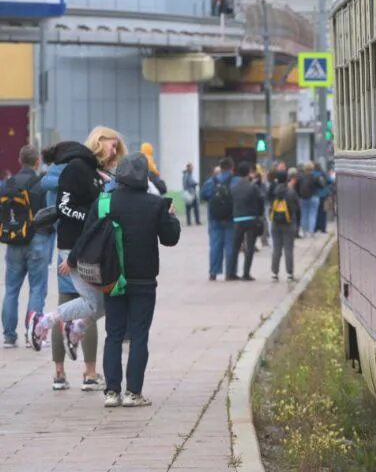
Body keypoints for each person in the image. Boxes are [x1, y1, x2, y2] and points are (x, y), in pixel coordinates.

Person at [79, 153, 181, 407]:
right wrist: (172, 217)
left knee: (113, 333)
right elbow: (170, 239)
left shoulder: (104, 202)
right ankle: (133, 393)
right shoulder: (155, 204)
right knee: (138, 336)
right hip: (144, 279)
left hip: (112, 278)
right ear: (144, 176)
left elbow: (87, 235)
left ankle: (111, 392)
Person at [30, 127, 126, 391]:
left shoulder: (94, 171)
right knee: (95, 302)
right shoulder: (77, 168)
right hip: (74, 247)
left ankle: (74, 326)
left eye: (117, 147)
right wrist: (94, 220)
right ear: (99, 140)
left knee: (105, 300)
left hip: (89, 246)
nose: (114, 150)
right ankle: (44, 322)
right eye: (112, 144)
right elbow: (64, 206)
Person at [2, 146, 51, 348]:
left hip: (14, 241)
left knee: (11, 289)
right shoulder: (40, 184)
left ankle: (8, 336)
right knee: (37, 288)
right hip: (37, 239)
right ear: (37, 161)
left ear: (19, 159)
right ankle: (33, 334)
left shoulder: (7, 184)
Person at [201, 158, 237, 280]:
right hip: (231, 218)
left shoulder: (211, 182)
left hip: (214, 218)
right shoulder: (236, 181)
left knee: (215, 245)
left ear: (220, 168)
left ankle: (213, 272)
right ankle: (230, 273)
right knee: (230, 246)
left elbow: (203, 196)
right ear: (232, 168)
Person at [227, 161, 263, 280]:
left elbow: (231, 202)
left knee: (235, 247)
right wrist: (259, 215)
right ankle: (246, 273)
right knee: (250, 247)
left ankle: (231, 273)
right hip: (251, 219)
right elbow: (261, 200)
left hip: (237, 219)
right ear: (249, 173)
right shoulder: (253, 186)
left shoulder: (233, 187)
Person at [268, 170, 300, 282]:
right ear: (287, 178)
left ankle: (274, 273)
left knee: (276, 249)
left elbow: (269, 205)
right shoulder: (291, 192)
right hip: (289, 223)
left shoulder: (273, 191)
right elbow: (297, 208)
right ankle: (290, 274)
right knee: (288, 249)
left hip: (275, 223)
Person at [296, 161, 320, 235]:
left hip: (303, 198)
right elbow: (319, 186)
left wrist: (299, 196)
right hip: (314, 196)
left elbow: (297, 187)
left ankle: (304, 231)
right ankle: (311, 231)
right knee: (312, 214)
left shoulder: (300, 177)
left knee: (304, 214)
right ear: (312, 168)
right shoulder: (315, 176)